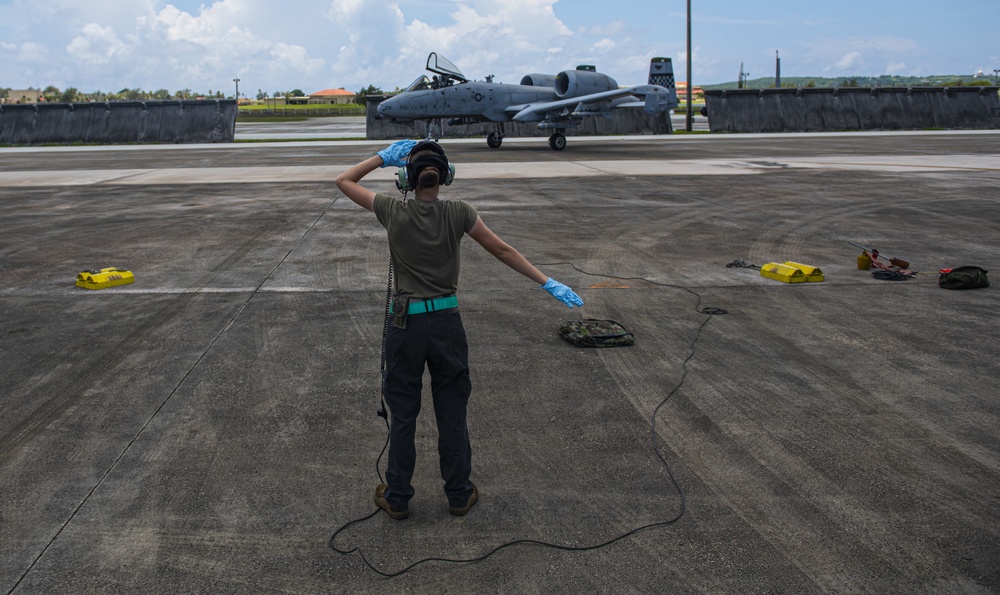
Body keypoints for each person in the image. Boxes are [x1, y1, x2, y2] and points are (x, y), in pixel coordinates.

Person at [335, 139, 584, 520]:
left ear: (406, 178)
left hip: (405, 324)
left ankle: (398, 497)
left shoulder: (391, 211)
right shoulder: (459, 213)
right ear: (446, 177)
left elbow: (344, 180)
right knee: (452, 411)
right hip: (446, 324)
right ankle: (458, 494)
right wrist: (547, 281)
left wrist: (381, 158)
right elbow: (502, 250)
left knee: (404, 414)